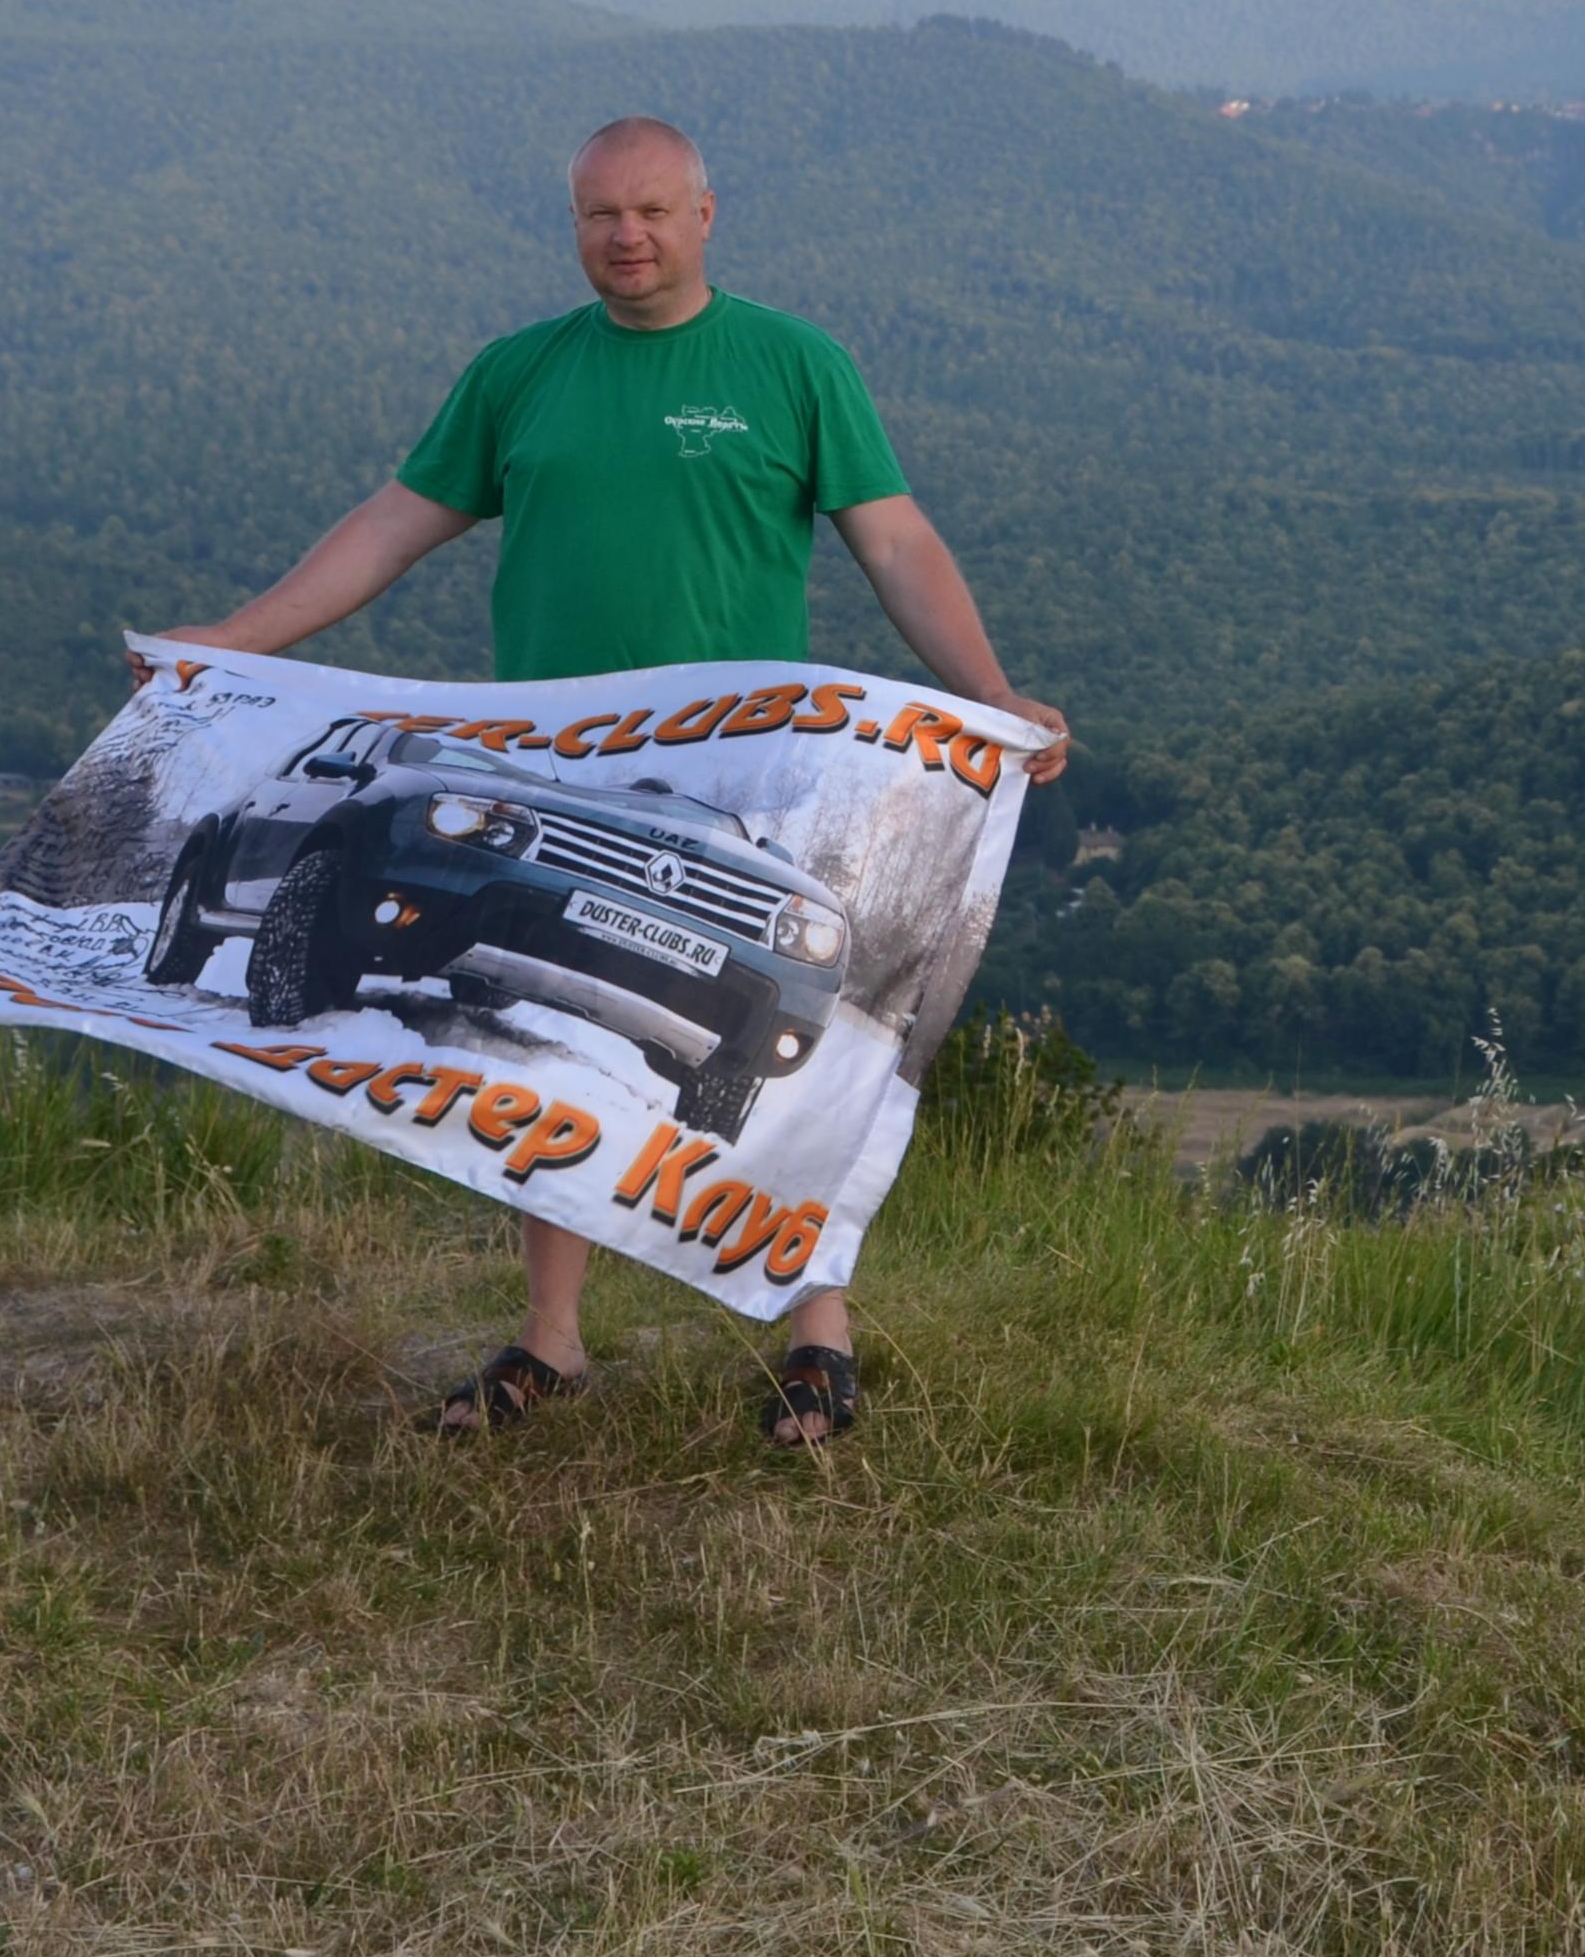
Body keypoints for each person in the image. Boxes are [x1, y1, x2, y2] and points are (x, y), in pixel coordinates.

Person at [159, 112, 1067, 1447]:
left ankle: (816, 1333)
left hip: (749, 781)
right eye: (600, 215)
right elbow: (390, 528)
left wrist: (988, 695)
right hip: (557, 769)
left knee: (778, 1066)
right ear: (575, 224)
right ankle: (552, 1341)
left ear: (706, 216)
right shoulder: (518, 374)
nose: (626, 236)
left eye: (650, 212)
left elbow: (896, 545)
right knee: (545, 1045)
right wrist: (235, 644)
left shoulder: (794, 363)